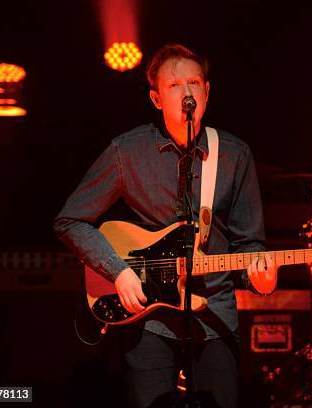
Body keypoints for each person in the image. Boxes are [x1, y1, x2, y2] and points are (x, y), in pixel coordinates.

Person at [53, 44, 278, 408]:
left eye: (194, 82)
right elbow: (70, 219)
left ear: (207, 91)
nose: (187, 93)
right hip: (148, 320)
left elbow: (250, 244)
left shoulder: (235, 155)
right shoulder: (127, 151)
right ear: (156, 98)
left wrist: (260, 278)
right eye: (174, 86)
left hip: (215, 316)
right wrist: (118, 272)